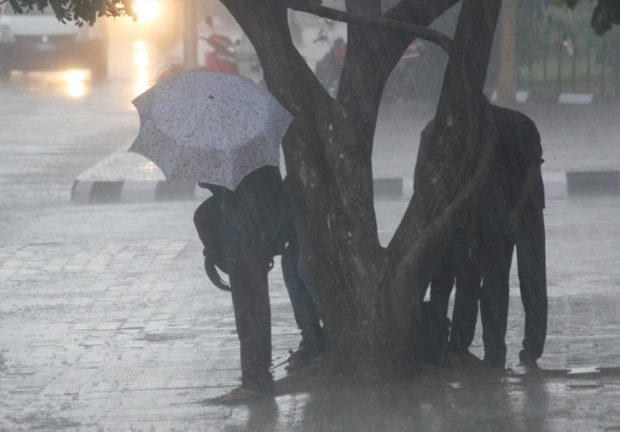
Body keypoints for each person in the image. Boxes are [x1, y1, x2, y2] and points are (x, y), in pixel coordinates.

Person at [420, 104, 547, 370]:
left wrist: (515, 211)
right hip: (496, 213)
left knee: (510, 283)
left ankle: (508, 352)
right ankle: (503, 352)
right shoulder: (468, 130)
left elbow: (530, 174)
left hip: (520, 212)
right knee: (499, 284)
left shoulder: (509, 127)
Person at [194, 166, 289, 403]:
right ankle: (256, 378)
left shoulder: (246, 165)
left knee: (250, 313)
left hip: (246, 240)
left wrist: (212, 181)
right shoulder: (255, 159)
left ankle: (255, 381)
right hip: (247, 239)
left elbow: (246, 196)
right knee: (251, 312)